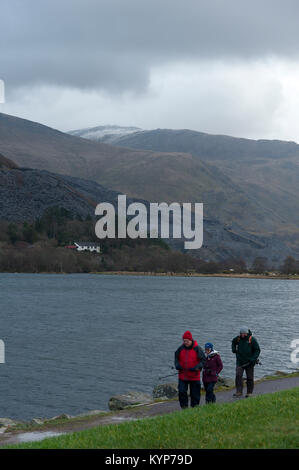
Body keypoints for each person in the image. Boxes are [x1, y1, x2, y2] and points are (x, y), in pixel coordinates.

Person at [174, 330, 206, 408]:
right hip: (182, 375)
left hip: (194, 376)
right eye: (184, 341)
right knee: (182, 392)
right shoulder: (180, 349)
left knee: (195, 394)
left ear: (191, 340)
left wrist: (197, 367)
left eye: (187, 341)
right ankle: (184, 408)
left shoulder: (197, 349)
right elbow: (176, 358)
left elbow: (203, 360)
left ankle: (194, 408)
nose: (185, 342)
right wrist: (177, 365)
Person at [232, 327, 261, 398]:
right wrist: (234, 349)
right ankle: (239, 391)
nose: (241, 335)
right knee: (238, 376)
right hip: (240, 361)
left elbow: (257, 350)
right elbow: (233, 342)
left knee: (249, 377)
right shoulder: (238, 339)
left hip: (249, 362)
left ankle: (249, 392)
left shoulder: (252, 339)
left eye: (242, 334)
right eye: (240, 333)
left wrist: (253, 359)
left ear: (246, 333)